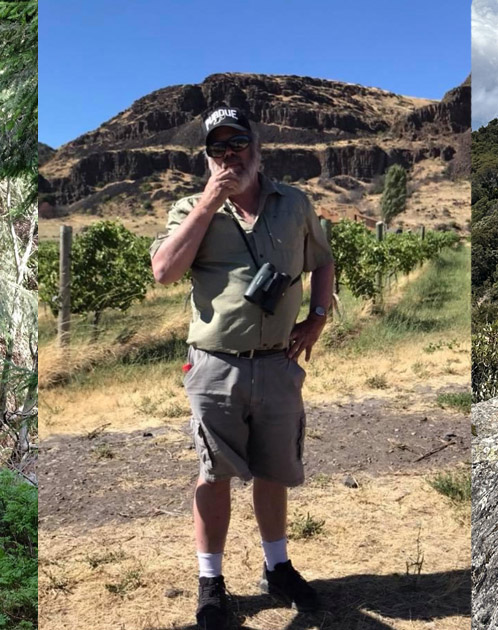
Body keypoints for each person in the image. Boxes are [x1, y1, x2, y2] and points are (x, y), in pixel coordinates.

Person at [150, 107, 336, 629]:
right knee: (215, 473)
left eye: (238, 145)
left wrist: (317, 316)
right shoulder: (190, 207)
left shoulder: (294, 204)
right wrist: (210, 200)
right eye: (218, 149)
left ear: (258, 148)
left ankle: (277, 568)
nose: (230, 156)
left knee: (274, 469)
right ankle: (211, 581)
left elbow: (321, 260)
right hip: (215, 366)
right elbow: (164, 270)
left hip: (278, 363)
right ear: (207, 157)